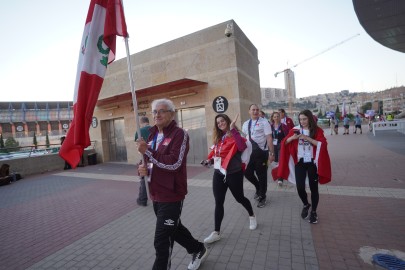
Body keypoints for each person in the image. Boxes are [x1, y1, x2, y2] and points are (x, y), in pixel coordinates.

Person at [136, 98, 207, 270]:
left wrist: (149, 153)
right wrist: (141, 169)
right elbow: (148, 160)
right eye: (154, 111)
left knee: (161, 242)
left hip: (172, 194)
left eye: (162, 111)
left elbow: (174, 163)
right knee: (173, 229)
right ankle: (198, 248)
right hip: (155, 193)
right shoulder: (151, 134)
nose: (157, 114)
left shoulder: (179, 134)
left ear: (172, 114)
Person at [202, 113, 257, 244]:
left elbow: (242, 147)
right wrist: (209, 161)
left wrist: (233, 129)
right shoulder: (219, 138)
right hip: (219, 173)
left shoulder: (236, 134)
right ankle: (216, 232)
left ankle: (252, 215)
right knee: (218, 202)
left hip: (234, 173)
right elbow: (216, 154)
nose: (220, 124)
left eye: (222, 121)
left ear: (227, 121)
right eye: (218, 122)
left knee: (239, 198)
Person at [273, 110, 331, 224]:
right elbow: (284, 143)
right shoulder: (294, 130)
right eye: (300, 119)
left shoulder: (317, 130)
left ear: (309, 118)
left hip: (312, 163)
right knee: (300, 187)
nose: (302, 121)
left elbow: (322, 144)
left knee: (314, 188)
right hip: (300, 162)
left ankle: (314, 212)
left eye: (304, 119)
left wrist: (306, 138)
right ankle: (306, 204)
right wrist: (292, 138)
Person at [242, 104, 275, 208]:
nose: (255, 111)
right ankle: (258, 187)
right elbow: (244, 138)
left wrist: (271, 153)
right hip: (249, 153)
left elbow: (269, 138)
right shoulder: (246, 123)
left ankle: (262, 196)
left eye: (257, 110)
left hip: (261, 153)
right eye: (253, 110)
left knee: (262, 176)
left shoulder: (264, 122)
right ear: (249, 111)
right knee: (247, 173)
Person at [135, 116, 151, 207]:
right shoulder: (155, 129)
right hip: (156, 157)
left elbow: (138, 148)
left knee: (143, 178)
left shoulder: (139, 131)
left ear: (141, 122)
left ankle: (142, 199)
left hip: (145, 158)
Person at [269, 111, 288, 186]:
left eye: (277, 116)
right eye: (275, 117)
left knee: (280, 161)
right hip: (273, 146)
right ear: (272, 118)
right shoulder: (270, 126)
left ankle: (280, 178)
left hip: (281, 145)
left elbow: (287, 135)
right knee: (275, 161)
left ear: (280, 117)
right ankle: (277, 174)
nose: (276, 118)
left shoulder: (283, 126)